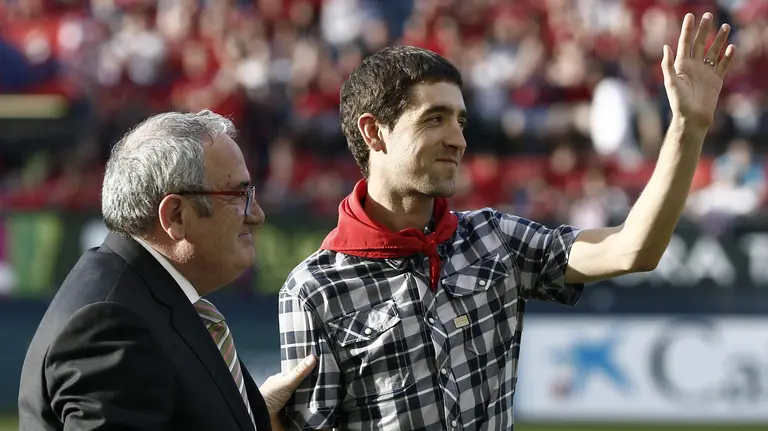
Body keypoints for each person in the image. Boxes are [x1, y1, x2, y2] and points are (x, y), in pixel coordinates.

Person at [277, 12, 735, 431]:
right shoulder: (313, 291)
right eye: (434, 119)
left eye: (460, 121)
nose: (458, 140)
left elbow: (633, 249)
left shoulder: (494, 237)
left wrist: (688, 126)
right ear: (374, 132)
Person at [18, 109, 316, 431]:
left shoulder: (142, 296)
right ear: (175, 214)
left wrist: (253, 417)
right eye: (238, 195)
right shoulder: (111, 324)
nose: (256, 214)